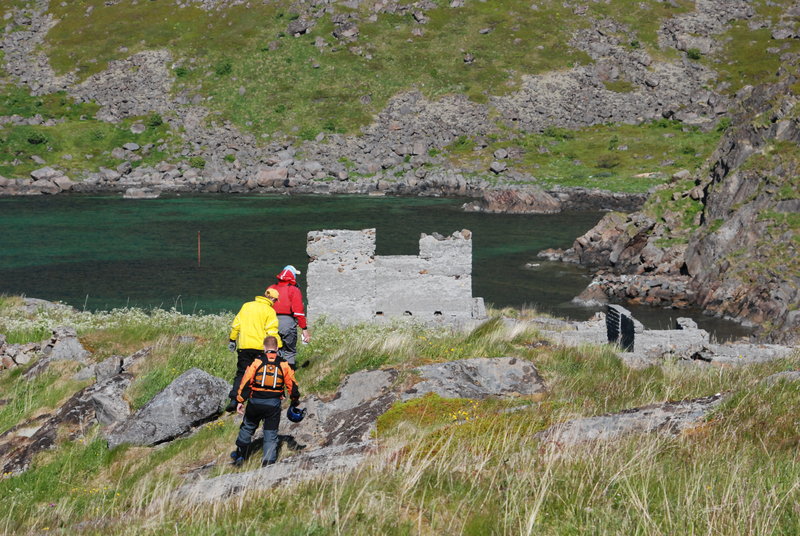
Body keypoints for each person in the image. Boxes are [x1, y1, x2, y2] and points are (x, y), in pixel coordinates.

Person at [230, 335, 300, 467]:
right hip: (273, 405)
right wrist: (294, 400)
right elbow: (292, 385)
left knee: (247, 428)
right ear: (277, 348)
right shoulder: (284, 364)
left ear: (264, 347)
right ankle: (268, 462)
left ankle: (240, 455)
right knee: (271, 433)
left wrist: (240, 400)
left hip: (255, 402)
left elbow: (245, 381)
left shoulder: (257, 362)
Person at [226, 287, 282, 412]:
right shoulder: (269, 311)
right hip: (260, 348)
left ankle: (234, 399)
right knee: (257, 374)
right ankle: (251, 400)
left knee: (241, 373)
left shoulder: (246, 306)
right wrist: (279, 346)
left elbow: (236, 325)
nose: (275, 303)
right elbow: (272, 331)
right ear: (273, 298)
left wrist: (232, 340)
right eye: (276, 300)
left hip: (244, 346)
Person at [268, 265, 310, 370]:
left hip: (271, 322)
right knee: (289, 351)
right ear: (293, 276)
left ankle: (273, 374)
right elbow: (299, 312)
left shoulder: (271, 288)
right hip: (288, 322)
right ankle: (288, 375)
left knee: (273, 349)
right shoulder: (293, 290)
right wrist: (304, 329)